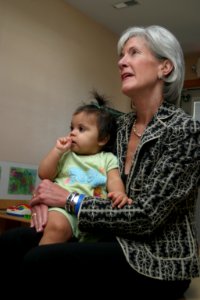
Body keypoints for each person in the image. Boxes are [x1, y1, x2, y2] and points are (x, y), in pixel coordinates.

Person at [0, 25, 200, 299]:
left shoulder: (185, 131)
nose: (121, 61)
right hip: (106, 235)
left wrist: (69, 200)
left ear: (165, 67)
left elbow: (146, 217)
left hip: (157, 258)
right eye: (121, 55)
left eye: (133, 52)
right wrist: (44, 197)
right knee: (11, 242)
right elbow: (73, 165)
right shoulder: (117, 126)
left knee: (39, 263)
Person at [37, 93, 131, 245]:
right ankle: (39, 261)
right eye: (72, 127)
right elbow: (44, 174)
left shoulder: (107, 158)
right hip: (63, 211)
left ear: (102, 139)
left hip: (91, 216)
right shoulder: (66, 155)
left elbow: (114, 179)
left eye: (81, 129)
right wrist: (57, 151)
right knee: (57, 228)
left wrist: (119, 193)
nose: (73, 132)